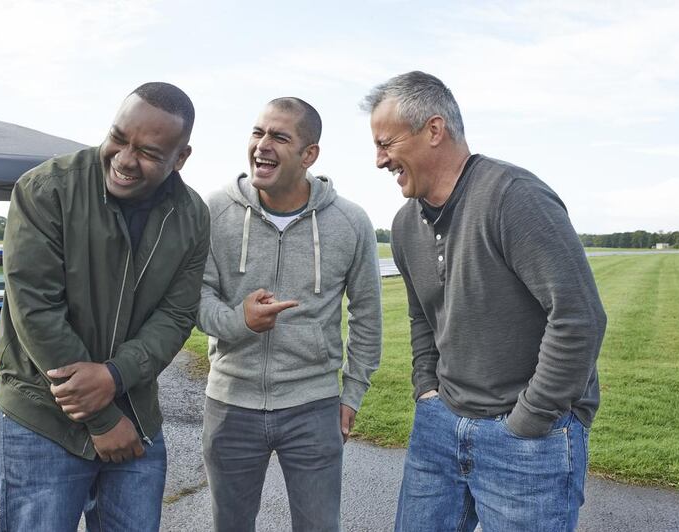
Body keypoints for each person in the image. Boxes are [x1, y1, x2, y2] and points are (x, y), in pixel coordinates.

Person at [362, 71, 607, 532]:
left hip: (526, 439)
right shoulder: (403, 225)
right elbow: (423, 316)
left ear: (433, 130)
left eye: (386, 143)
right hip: (440, 424)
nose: (379, 160)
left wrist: (529, 418)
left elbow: (579, 318)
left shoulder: (513, 197)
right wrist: (426, 389)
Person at [0, 82, 210, 532]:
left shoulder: (191, 214)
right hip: (42, 420)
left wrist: (113, 378)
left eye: (149, 152)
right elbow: (36, 311)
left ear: (181, 158)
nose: (125, 159)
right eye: (118, 137)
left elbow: (175, 316)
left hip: (136, 420)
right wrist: (101, 417)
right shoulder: (45, 190)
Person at [197, 97, 382, 532]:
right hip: (230, 404)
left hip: (313, 406)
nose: (263, 145)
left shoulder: (350, 222)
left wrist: (351, 394)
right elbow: (195, 299)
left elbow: (368, 315)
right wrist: (239, 322)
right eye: (258, 132)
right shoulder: (215, 211)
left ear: (309, 154)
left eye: (280, 137)